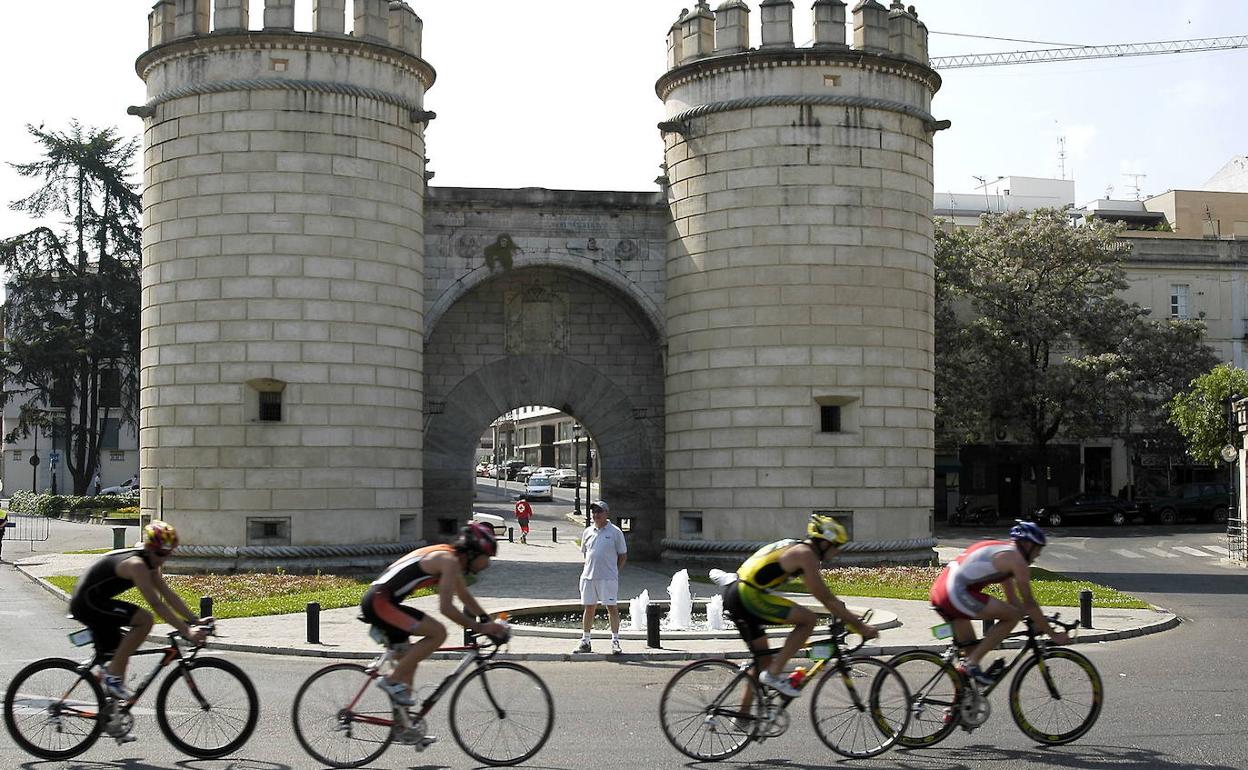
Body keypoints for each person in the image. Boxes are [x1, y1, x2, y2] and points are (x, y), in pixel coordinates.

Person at [722, 513, 877, 697]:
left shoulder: (797, 547)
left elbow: (826, 597)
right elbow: (825, 598)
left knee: (763, 661)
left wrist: (845, 613)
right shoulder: (805, 555)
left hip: (736, 592)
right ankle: (773, 675)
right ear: (825, 542)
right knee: (808, 619)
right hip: (747, 595)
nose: (838, 552)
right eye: (837, 547)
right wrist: (859, 626)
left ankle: (743, 719)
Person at [361, 521, 509, 706]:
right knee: (438, 633)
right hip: (380, 603)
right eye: (487, 556)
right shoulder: (448, 560)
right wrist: (480, 627)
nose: (487, 563)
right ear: (473, 552)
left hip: (383, 601)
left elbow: (463, 595)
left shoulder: (449, 556)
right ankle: (391, 680)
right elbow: (446, 608)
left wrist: (487, 619)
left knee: (408, 662)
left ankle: (405, 729)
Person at [69, 521, 208, 704]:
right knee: (145, 620)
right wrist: (187, 631)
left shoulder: (150, 563)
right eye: (160, 554)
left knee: (122, 651)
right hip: (86, 603)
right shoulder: (137, 565)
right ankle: (111, 679)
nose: (162, 559)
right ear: (149, 549)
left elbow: (169, 596)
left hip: (97, 601)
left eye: (168, 554)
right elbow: (156, 604)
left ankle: (114, 716)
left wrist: (195, 621)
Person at [929, 520, 1069, 685]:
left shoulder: (1003, 554)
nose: (1038, 554)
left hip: (941, 590)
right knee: (1009, 619)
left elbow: (1013, 601)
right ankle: (971, 664)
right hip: (955, 593)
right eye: (1037, 548)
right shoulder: (1018, 561)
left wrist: (1037, 622)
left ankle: (955, 709)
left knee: (971, 653)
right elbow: (1029, 603)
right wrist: (1053, 634)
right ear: (1026, 545)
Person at [574, 500, 627, 655]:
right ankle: (586, 641)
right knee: (589, 607)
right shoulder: (587, 532)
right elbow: (586, 553)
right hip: (589, 577)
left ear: (606, 514)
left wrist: (614, 571)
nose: (596, 515)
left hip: (608, 578)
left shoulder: (615, 532)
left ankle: (615, 641)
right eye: (594, 512)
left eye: (599, 512)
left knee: (612, 608)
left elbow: (623, 555)